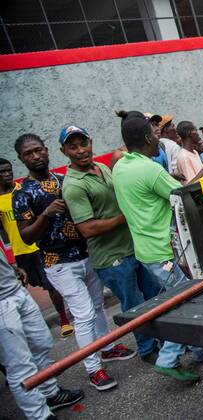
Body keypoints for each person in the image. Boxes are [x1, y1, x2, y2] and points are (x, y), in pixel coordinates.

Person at [12, 133, 135, 391]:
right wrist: (44, 215)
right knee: (83, 314)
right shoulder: (22, 192)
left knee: (98, 306)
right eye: (28, 154)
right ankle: (93, 369)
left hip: (86, 253)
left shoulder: (64, 179)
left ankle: (107, 348)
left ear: (48, 151)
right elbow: (25, 235)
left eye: (38, 150)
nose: (35, 156)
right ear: (21, 159)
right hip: (58, 262)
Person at [112, 111, 203, 382]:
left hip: (145, 250)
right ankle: (169, 358)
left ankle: (200, 349)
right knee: (182, 302)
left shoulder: (120, 167)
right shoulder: (148, 169)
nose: (159, 138)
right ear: (146, 137)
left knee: (173, 300)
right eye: (155, 134)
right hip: (163, 251)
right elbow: (185, 194)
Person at [59, 125, 163, 364]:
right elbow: (87, 228)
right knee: (134, 306)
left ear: (91, 142)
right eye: (73, 147)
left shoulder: (103, 168)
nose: (81, 151)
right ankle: (148, 350)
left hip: (133, 247)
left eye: (84, 144)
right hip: (112, 258)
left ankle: (166, 341)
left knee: (153, 297)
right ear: (64, 151)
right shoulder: (74, 185)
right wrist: (125, 216)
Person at [0, 250, 84, 420]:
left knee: (41, 343)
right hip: (2, 304)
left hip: (14, 289)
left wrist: (10, 268)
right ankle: (40, 416)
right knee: (19, 365)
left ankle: (50, 393)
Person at [0, 158, 74, 339]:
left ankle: (64, 320)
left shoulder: (23, 191)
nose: (7, 174)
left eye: (9, 170)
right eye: (2, 172)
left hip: (38, 245)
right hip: (20, 251)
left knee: (51, 286)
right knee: (32, 287)